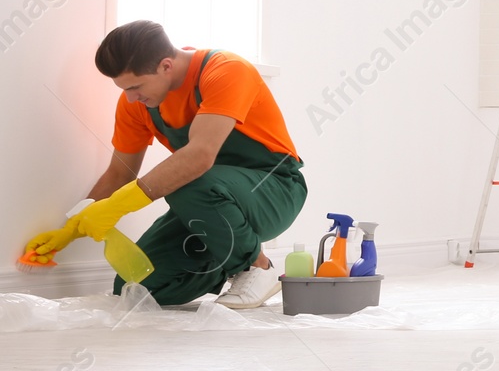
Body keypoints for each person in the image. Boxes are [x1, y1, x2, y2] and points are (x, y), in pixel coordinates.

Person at [26, 21, 307, 307]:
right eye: (123, 89)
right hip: (211, 203)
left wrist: (117, 206)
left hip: (274, 189)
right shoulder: (137, 104)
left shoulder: (226, 70)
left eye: (135, 86)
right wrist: (71, 228)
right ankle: (230, 259)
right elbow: (119, 172)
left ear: (166, 66)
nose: (131, 97)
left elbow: (199, 156)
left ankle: (256, 268)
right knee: (135, 288)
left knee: (188, 182)